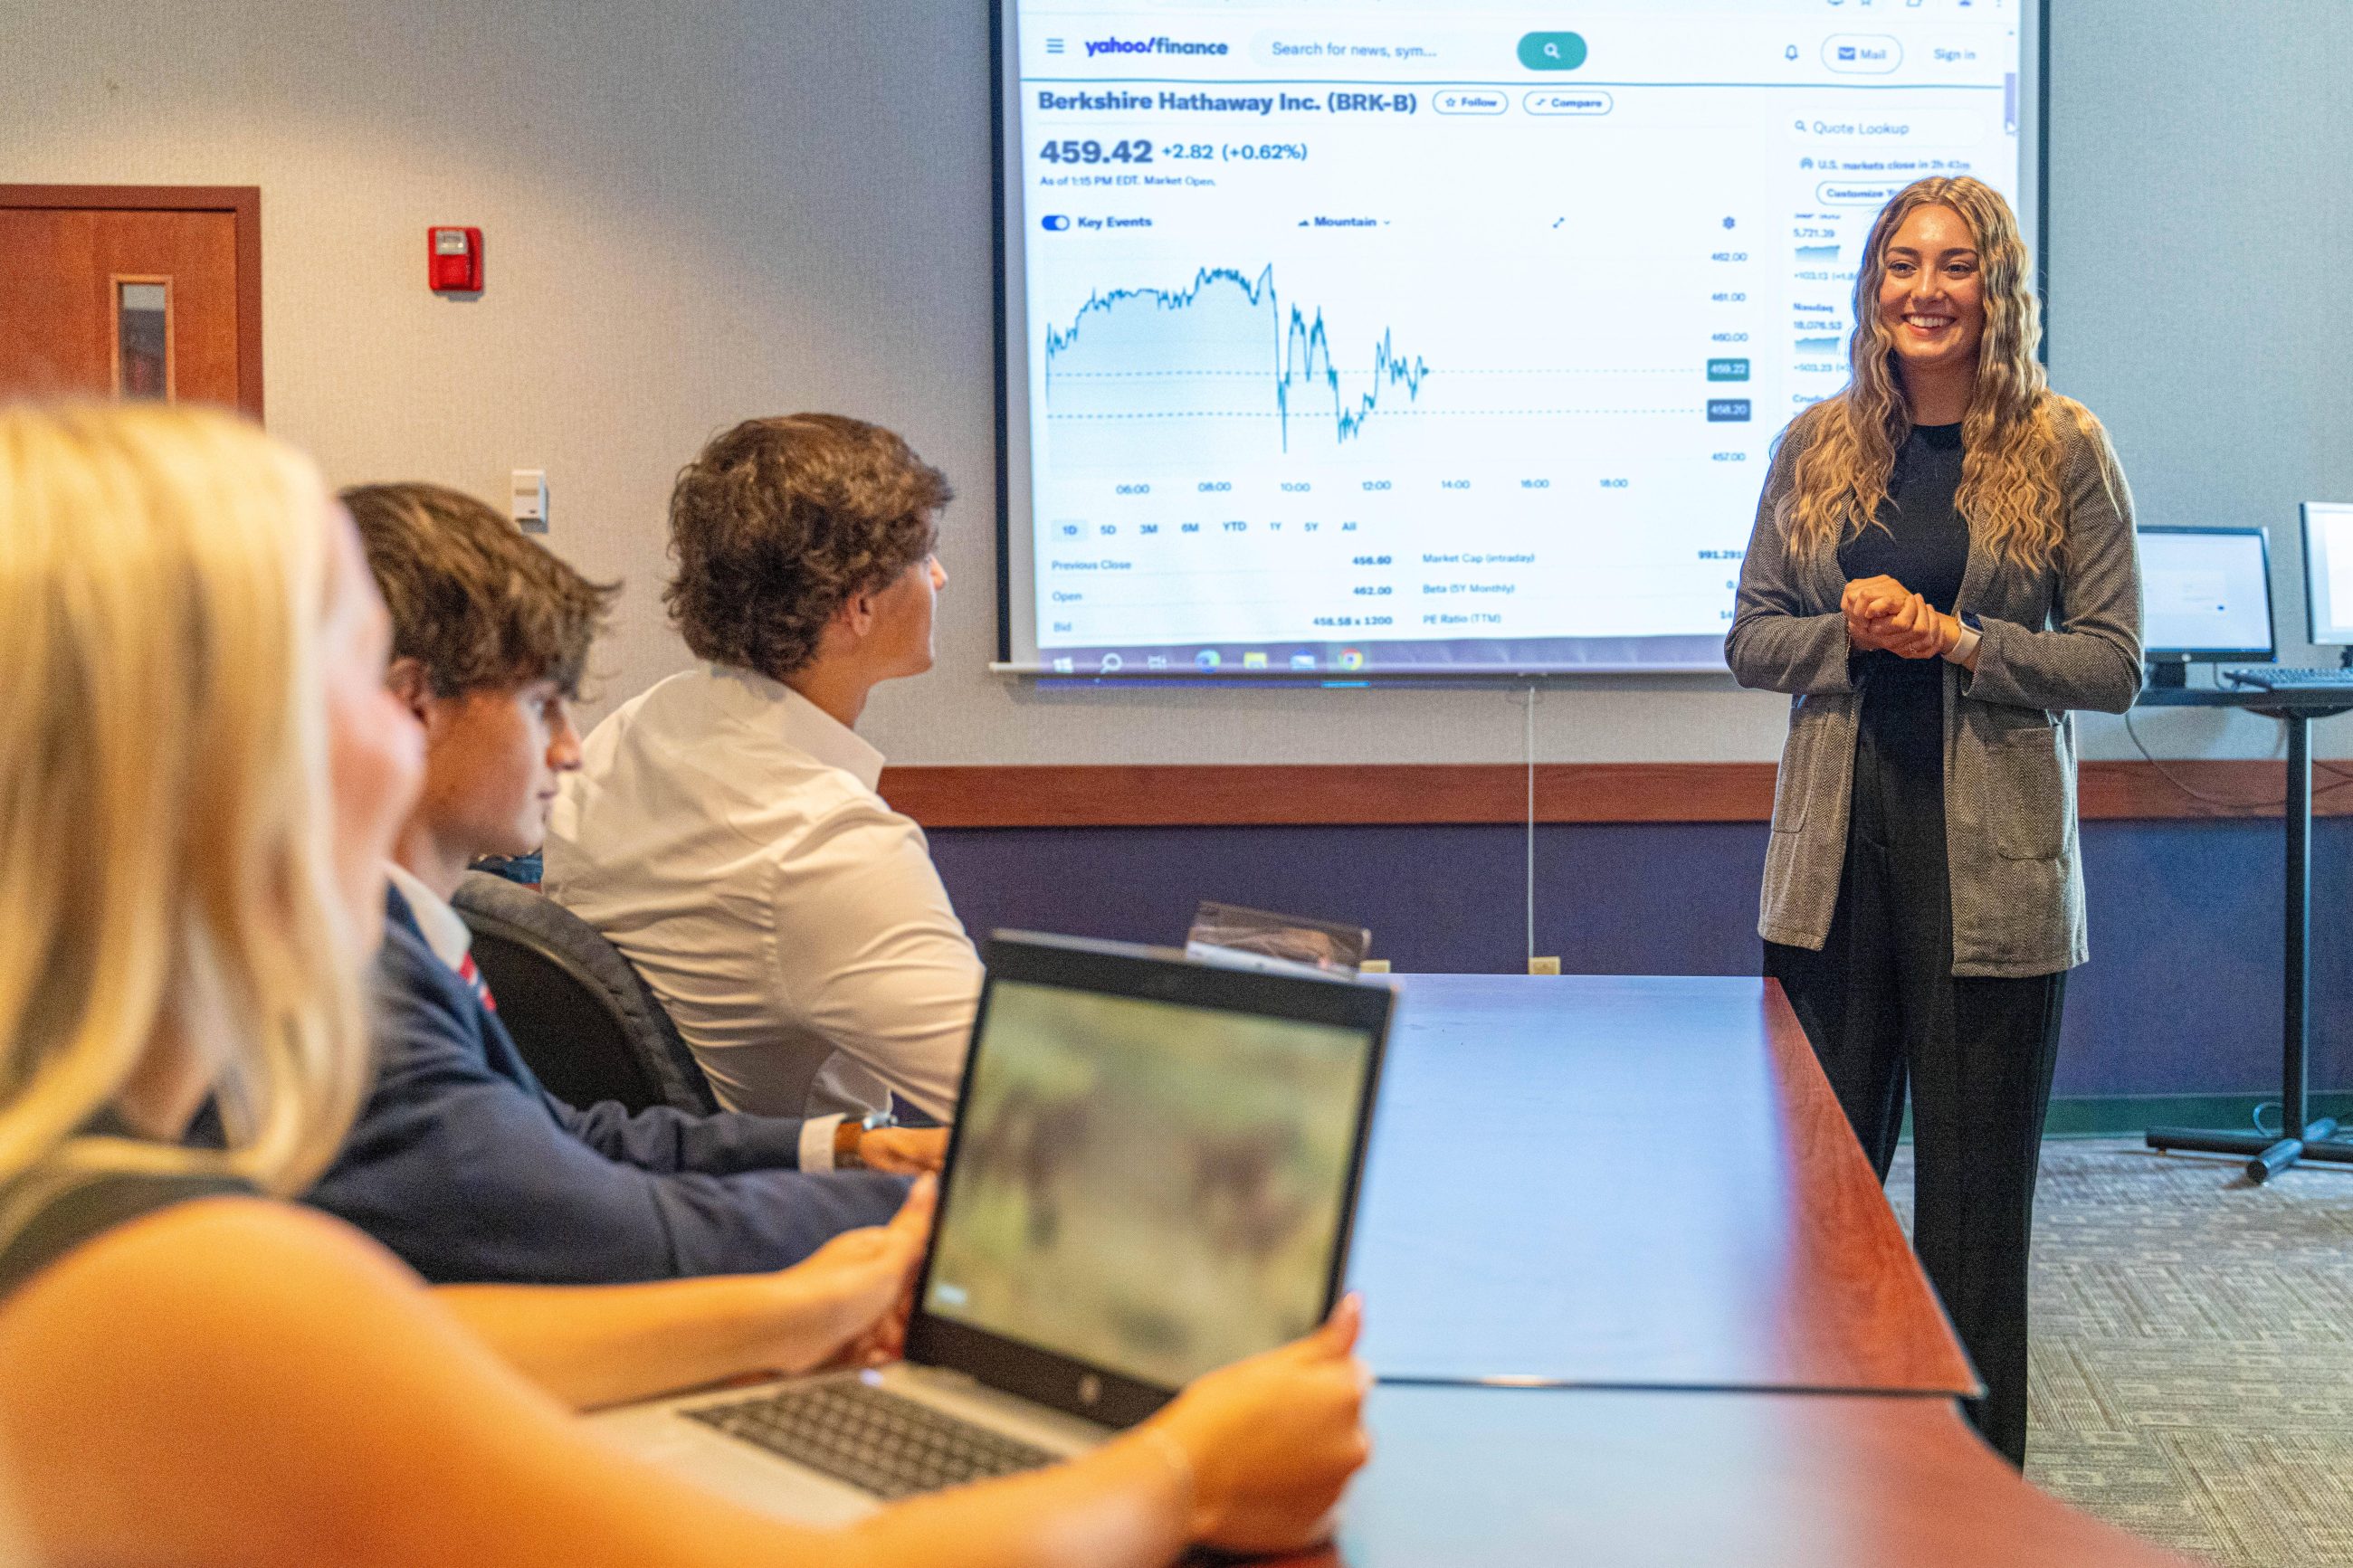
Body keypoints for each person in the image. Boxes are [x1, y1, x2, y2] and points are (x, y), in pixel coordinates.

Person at [0, 403, 1371, 1565]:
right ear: (215, 735)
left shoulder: (97, 1182)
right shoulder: (162, 1275)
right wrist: (1193, 1468)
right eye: (359, 665)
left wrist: (799, 1302)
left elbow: (408, 1346)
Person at [1725, 176, 2142, 1468]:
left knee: (1971, 1229)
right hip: (1833, 876)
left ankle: (1973, 1508)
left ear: (1996, 286)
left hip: (1995, 885)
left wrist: (1964, 640)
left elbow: (2117, 663)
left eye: (1954, 265)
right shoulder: (1814, 444)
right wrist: (1848, 636)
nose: (1924, 289)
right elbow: (1747, 639)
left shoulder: (2066, 445)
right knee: (1827, 1222)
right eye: (1901, 264)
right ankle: (1829, 1489)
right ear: (1871, 287)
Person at [297, 481, 938, 1285]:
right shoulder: (358, 981)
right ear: (415, 706)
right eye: (541, 707)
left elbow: (558, 1135)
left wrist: (847, 1149)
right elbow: (604, 1228)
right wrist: (921, 1214)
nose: (570, 749)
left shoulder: (393, 927)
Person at [546, 415, 981, 1121]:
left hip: (663, 1182)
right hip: (814, 1209)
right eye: (922, 555)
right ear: (859, 604)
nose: (940, 575)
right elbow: (1027, 1111)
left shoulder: (631, 732)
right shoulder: (826, 847)